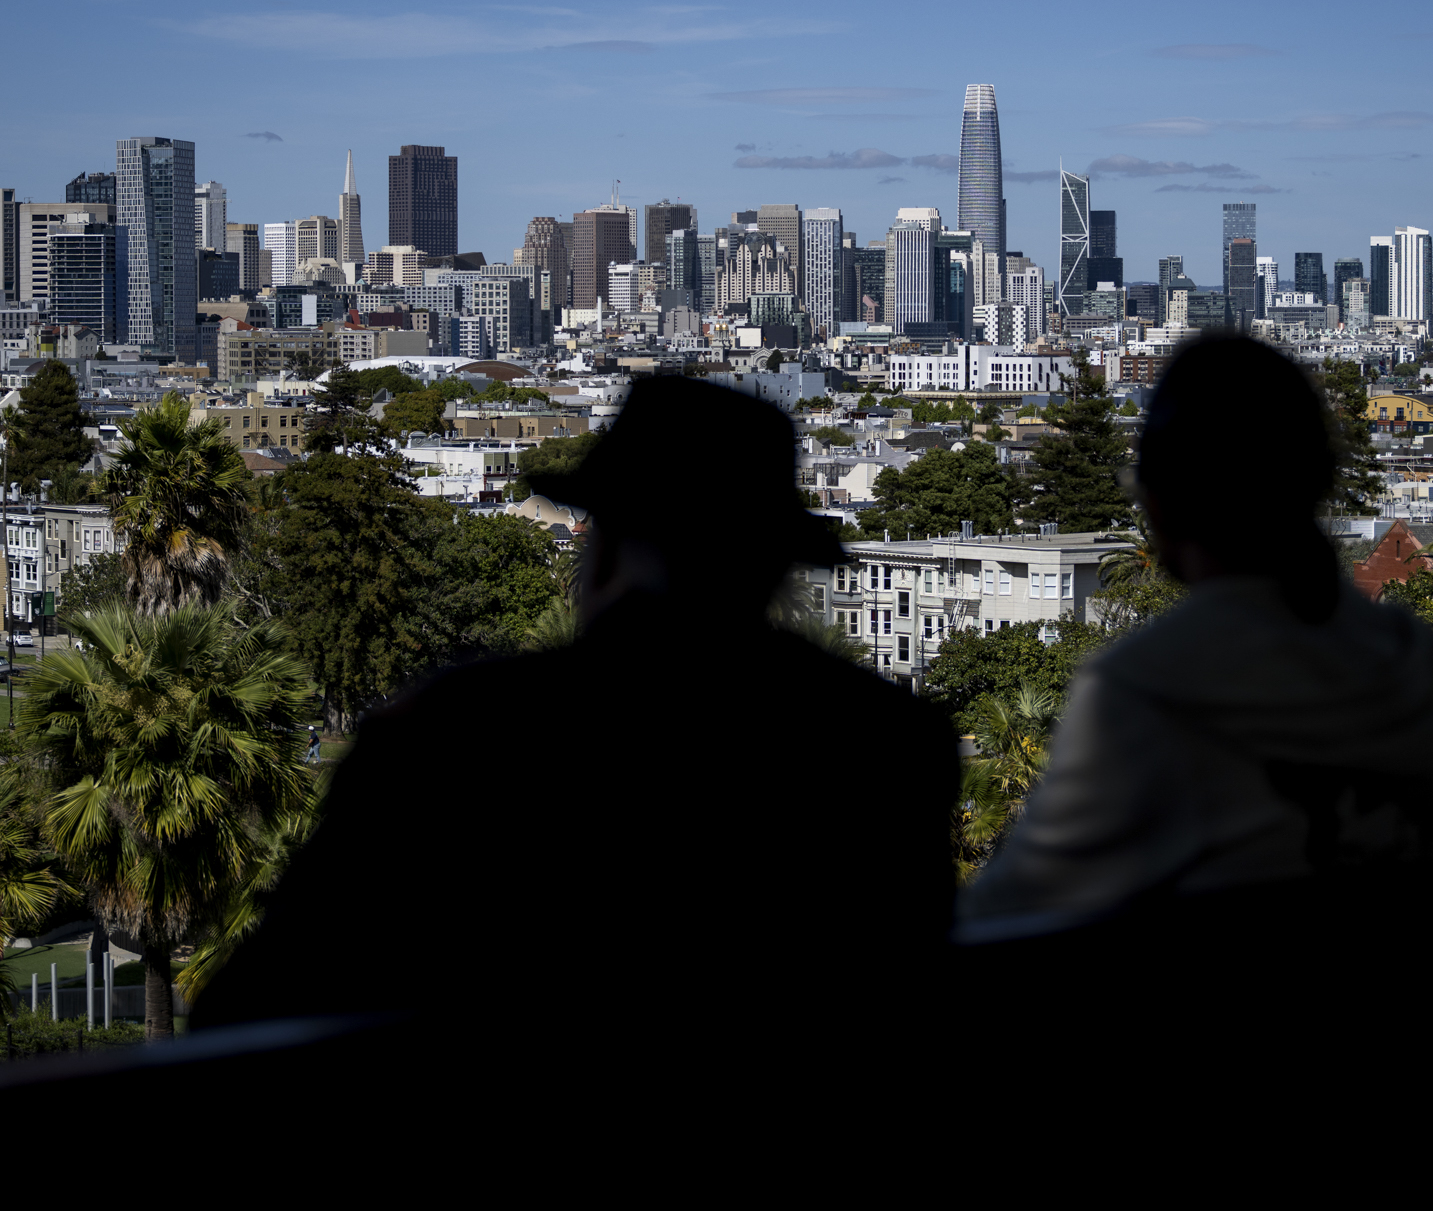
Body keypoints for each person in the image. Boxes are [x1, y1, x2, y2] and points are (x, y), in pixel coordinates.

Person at [195, 377, 959, 1138]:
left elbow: (250, 1009)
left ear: (603, 554)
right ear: (770, 567)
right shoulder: (888, 746)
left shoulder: (459, 735)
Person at [955, 336, 1433, 1181]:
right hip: (1414, 1110)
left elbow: (1002, 926)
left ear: (1164, 501)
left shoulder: (1149, 685)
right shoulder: (1418, 660)